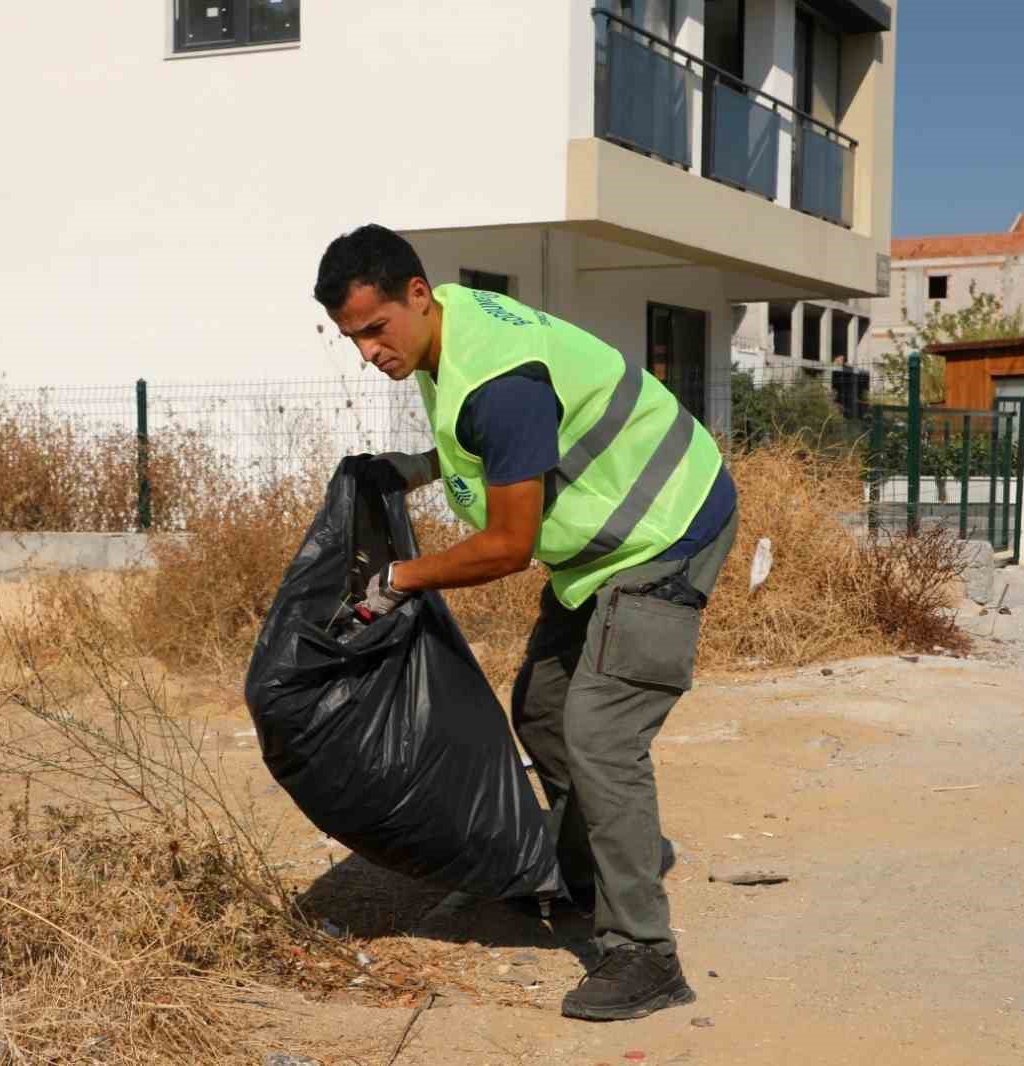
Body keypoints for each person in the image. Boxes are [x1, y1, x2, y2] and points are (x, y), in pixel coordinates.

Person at [312, 224, 738, 1023]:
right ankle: (583, 876)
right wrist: (416, 468)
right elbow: (494, 445)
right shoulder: (452, 330)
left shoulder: (496, 379)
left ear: (416, 294)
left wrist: (399, 581)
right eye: (352, 339)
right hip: (604, 547)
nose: (369, 351)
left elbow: (508, 545)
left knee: (600, 734)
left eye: (376, 329)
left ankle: (643, 953)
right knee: (542, 710)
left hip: (669, 531)